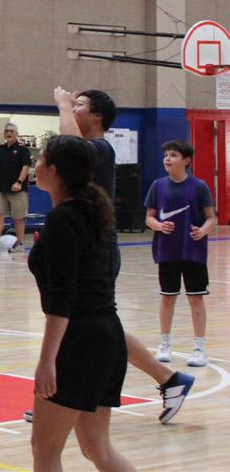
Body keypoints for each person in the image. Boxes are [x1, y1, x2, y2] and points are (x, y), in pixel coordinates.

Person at [54, 87, 195, 423]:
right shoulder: (87, 149)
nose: (73, 108)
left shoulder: (100, 148)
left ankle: (61, 398)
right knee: (89, 324)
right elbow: (67, 148)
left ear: (97, 116)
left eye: (80, 105)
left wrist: (62, 105)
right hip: (84, 246)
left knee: (84, 324)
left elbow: (70, 147)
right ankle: (169, 379)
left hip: (97, 249)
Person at [28, 134, 135, 472]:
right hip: (108, 336)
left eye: (41, 159)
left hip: (80, 339)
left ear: (55, 170)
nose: (36, 165)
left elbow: (63, 297)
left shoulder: (63, 219)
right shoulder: (90, 212)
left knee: (45, 450)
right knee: (96, 448)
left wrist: (47, 360)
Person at [144, 139, 214, 368]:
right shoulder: (158, 186)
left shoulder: (199, 186)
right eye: (166, 155)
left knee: (196, 298)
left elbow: (211, 219)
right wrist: (158, 225)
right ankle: (164, 344)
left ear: (186, 160)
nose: (167, 159)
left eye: (173, 155)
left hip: (193, 251)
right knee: (168, 297)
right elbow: (149, 218)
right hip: (167, 251)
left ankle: (200, 348)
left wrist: (202, 231)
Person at [0, 123, 31, 252]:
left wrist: (19, 182)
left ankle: (19, 244)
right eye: (6, 131)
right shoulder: (0, 149)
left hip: (18, 190)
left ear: (16, 134)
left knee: (18, 218)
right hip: (3, 189)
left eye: (11, 131)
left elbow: (26, 167)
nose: (8, 133)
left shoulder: (23, 149)